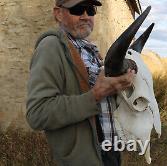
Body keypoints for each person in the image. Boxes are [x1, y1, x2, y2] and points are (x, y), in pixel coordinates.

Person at [26, 0, 135, 165]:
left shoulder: (90, 50)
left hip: (110, 152)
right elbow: (37, 113)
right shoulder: (51, 47)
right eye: (77, 9)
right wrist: (95, 95)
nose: (85, 16)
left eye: (90, 10)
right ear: (58, 14)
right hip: (83, 159)